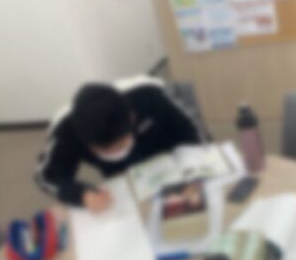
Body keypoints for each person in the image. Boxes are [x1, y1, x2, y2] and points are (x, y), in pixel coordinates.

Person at [35, 76, 202, 213]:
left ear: (132, 118)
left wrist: (193, 170)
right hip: (124, 179)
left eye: (121, 143)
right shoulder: (66, 131)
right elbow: (46, 177)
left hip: (170, 162)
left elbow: (193, 131)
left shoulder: (150, 95)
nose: (116, 152)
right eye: (104, 149)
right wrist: (82, 195)